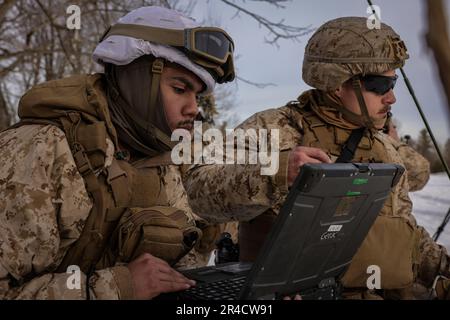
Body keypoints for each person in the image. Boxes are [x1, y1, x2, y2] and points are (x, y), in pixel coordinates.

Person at [184, 17, 450, 299]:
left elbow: (402, 233)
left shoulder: (385, 147)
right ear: (337, 84)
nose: (392, 98)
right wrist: (275, 171)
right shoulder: (273, 127)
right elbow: (198, 190)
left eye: (393, 82)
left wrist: (442, 267)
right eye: (379, 85)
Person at [0, 6, 235, 299]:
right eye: (179, 88)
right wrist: (117, 287)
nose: (194, 108)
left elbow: (175, 272)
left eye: (196, 95)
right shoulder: (39, 151)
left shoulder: (162, 163)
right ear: (136, 79)